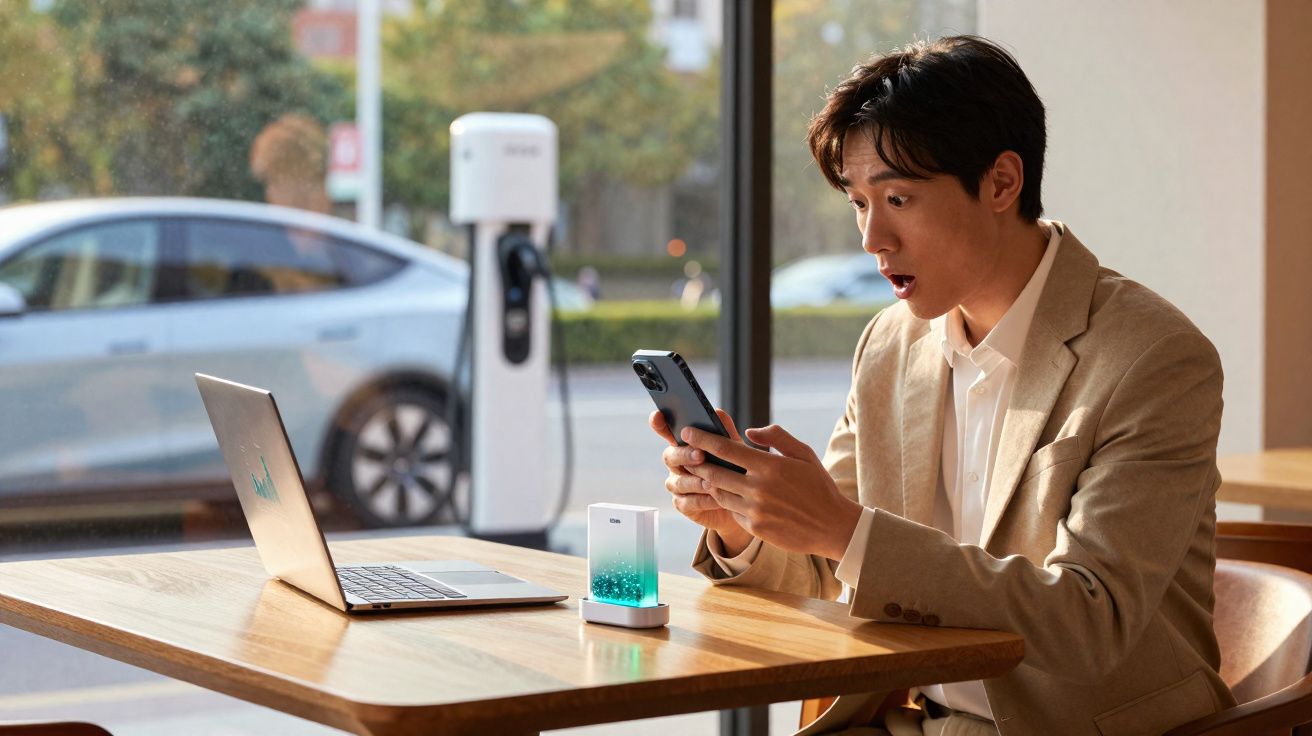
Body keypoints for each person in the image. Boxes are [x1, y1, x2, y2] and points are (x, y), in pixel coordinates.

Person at [650, 36, 1233, 736]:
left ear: (1001, 183)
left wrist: (841, 529)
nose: (873, 237)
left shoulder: (1153, 356)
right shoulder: (890, 344)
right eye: (858, 202)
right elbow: (832, 569)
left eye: (898, 197)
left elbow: (1090, 619)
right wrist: (744, 523)